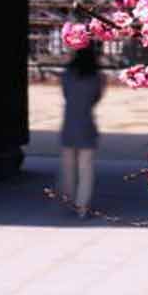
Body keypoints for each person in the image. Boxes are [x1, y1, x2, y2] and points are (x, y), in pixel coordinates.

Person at [57, 42, 104, 217]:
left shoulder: (67, 74)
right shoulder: (97, 77)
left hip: (69, 124)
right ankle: (82, 206)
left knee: (68, 169)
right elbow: (96, 98)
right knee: (86, 170)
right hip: (87, 125)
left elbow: (65, 94)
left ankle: (68, 200)